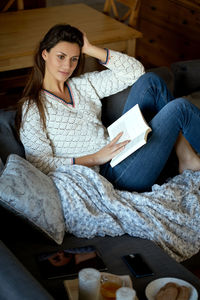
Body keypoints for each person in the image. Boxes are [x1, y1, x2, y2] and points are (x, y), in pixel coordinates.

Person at [16, 24, 200, 192]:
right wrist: (96, 158)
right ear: (45, 54)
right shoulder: (32, 107)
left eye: (74, 59)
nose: (67, 66)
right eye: (61, 57)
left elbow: (135, 72)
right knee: (180, 108)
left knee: (151, 81)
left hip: (119, 150)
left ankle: (185, 155)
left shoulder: (83, 85)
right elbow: (40, 163)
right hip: (108, 175)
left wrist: (90, 48)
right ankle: (187, 157)